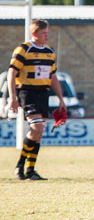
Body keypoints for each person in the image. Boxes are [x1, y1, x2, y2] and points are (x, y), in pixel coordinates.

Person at [9, 19, 66, 180]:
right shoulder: (23, 50)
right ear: (34, 33)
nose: (47, 36)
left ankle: (30, 170)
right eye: (43, 33)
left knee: (39, 133)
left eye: (47, 33)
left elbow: (53, 76)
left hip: (43, 93)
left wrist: (61, 99)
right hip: (27, 92)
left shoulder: (49, 51)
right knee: (37, 127)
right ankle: (20, 165)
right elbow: (12, 73)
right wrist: (13, 97)